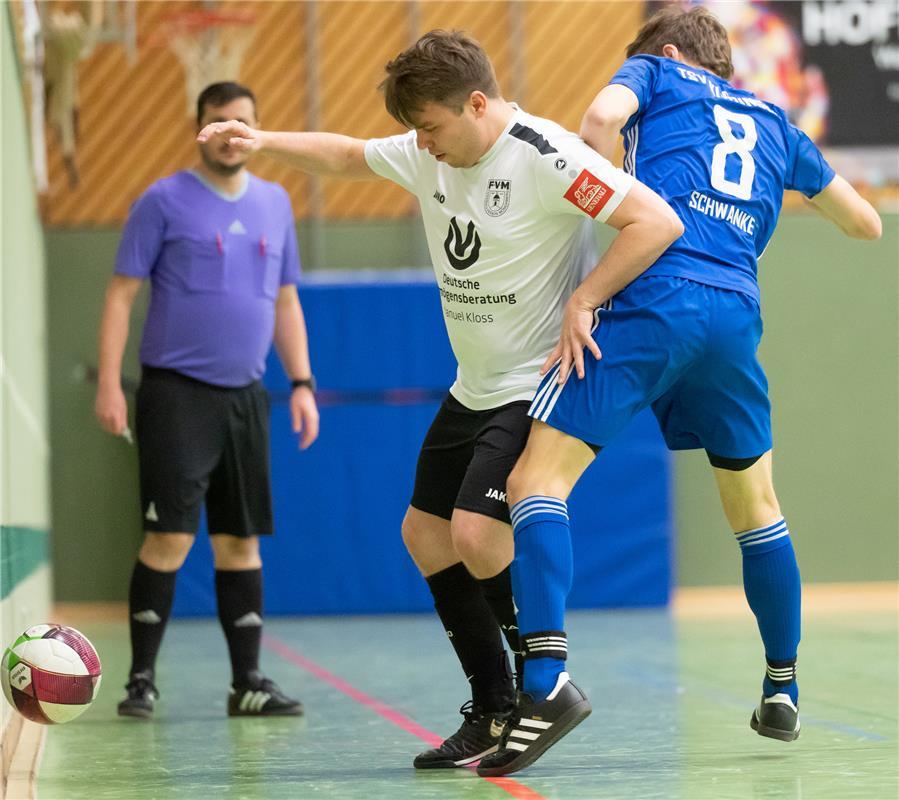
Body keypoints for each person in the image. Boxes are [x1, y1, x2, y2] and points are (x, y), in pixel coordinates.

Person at [197, 30, 682, 767]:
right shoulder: (429, 151)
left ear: (476, 103)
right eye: (412, 131)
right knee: (423, 535)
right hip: (473, 387)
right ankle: (491, 707)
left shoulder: (546, 156)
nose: (419, 145)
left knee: (477, 534)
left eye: (428, 126)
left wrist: (585, 299)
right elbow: (343, 155)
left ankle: (545, 685)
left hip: (535, 382)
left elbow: (653, 221)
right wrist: (261, 138)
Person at [477, 6, 882, 777]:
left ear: (664, 52)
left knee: (536, 480)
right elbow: (865, 225)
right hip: (733, 315)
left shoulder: (656, 73)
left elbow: (599, 116)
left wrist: (622, 201)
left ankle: (543, 681)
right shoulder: (775, 120)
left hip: (654, 294)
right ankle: (781, 684)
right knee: (756, 508)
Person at [95, 81, 320, 719]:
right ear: (200, 128)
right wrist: (111, 382)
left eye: (242, 122)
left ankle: (247, 682)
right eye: (218, 122)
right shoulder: (162, 201)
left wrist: (301, 382)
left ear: (256, 129)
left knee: (240, 541)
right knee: (168, 539)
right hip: (175, 396)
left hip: (246, 398)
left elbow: (285, 301)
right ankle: (140, 680)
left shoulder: (277, 204)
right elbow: (119, 295)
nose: (230, 132)